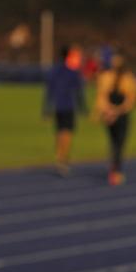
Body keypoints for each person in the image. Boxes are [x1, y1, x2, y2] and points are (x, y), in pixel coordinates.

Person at [95, 51, 136, 186]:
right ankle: (116, 171)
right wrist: (108, 111)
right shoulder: (109, 77)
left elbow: (131, 99)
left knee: (116, 143)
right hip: (115, 115)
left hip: (118, 114)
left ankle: (115, 169)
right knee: (117, 143)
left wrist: (113, 111)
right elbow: (102, 96)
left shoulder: (126, 78)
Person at [43, 45, 86, 177]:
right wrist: (83, 107)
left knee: (59, 132)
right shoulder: (72, 72)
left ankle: (59, 156)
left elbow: (49, 91)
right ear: (68, 56)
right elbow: (79, 92)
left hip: (57, 106)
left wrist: (46, 108)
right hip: (68, 106)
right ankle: (63, 159)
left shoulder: (54, 71)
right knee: (67, 133)